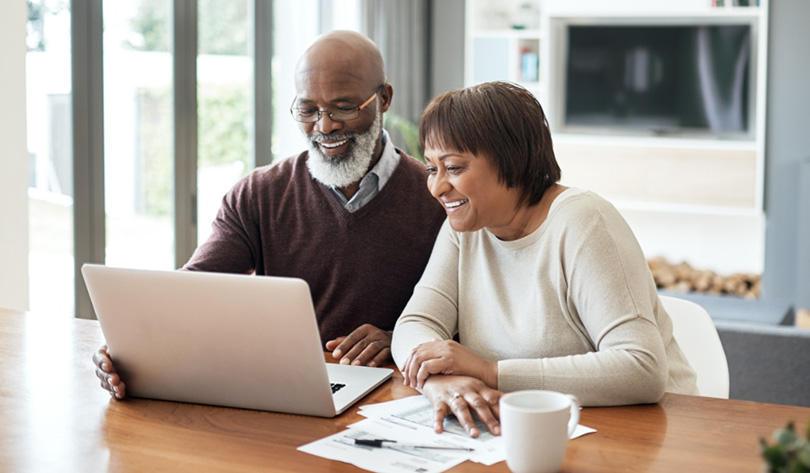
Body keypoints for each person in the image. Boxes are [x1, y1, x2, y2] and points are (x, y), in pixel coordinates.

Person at [94, 30, 446, 400]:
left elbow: (472, 329)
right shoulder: (258, 194)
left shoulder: (438, 198)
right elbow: (192, 294)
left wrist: (401, 339)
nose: (324, 127)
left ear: (384, 99)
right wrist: (130, 349)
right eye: (308, 110)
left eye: (343, 107)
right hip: (286, 393)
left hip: (395, 397)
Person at [391, 81, 698, 438]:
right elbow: (416, 322)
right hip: (537, 428)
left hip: (653, 431)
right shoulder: (464, 229)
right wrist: (439, 381)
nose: (437, 187)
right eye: (432, 169)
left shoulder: (583, 222)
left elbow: (641, 369)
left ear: (512, 161)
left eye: (454, 168)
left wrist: (490, 373)